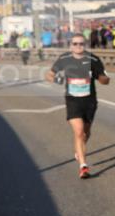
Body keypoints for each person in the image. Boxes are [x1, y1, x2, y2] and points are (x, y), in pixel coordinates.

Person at [46, 35, 109, 179]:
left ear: (85, 45)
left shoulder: (93, 59)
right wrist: (57, 79)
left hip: (90, 101)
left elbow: (104, 79)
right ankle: (83, 166)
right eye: (75, 43)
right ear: (71, 45)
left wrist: (102, 78)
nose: (78, 46)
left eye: (81, 43)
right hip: (72, 100)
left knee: (86, 133)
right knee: (79, 132)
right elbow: (49, 74)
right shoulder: (64, 58)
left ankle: (79, 150)